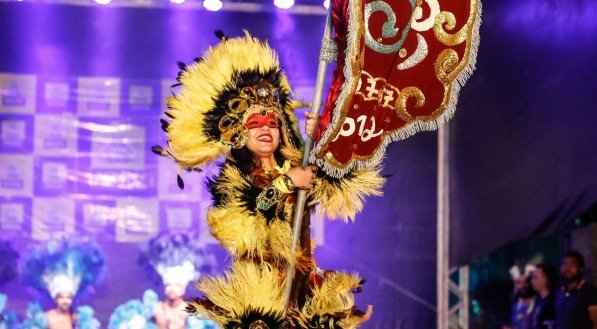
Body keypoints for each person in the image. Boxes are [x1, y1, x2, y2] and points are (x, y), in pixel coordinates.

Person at [153, 31, 384, 328]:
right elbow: (249, 219)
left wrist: (325, 138)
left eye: (272, 122)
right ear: (238, 131)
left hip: (300, 287)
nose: (265, 129)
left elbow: (342, 178)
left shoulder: (299, 164)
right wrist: (287, 182)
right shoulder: (234, 178)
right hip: (261, 294)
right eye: (255, 123)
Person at [137, 233, 217, 329]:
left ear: (184, 287)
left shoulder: (194, 314)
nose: (172, 289)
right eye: (168, 285)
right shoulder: (154, 309)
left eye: (177, 285)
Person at [20, 239, 104, 329]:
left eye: (69, 297)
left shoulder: (78, 319)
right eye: (61, 297)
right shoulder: (45, 318)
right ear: (55, 299)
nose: (65, 301)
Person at [555, 250, 597, 329]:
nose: (567, 268)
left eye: (572, 264)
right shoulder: (559, 292)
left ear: (580, 268)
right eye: (564, 264)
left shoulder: (590, 291)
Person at [531, 263, 557, 329]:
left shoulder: (552, 303)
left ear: (546, 280)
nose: (532, 281)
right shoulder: (539, 301)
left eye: (535, 277)